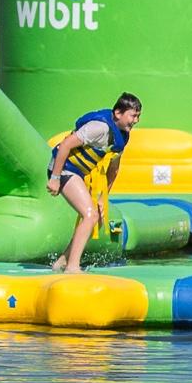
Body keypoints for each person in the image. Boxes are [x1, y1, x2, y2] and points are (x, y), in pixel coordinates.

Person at [46, 92, 141, 273]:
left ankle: (63, 261)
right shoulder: (99, 127)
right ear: (118, 113)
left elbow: (114, 170)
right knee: (89, 215)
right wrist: (55, 178)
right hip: (63, 168)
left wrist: (100, 198)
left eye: (138, 116)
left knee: (94, 217)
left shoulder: (122, 137)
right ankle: (73, 267)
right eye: (133, 115)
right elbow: (65, 145)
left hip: (77, 174)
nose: (136, 120)